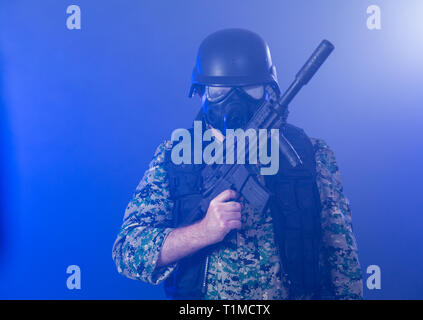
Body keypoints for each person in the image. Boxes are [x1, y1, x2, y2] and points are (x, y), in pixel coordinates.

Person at [112, 28, 363, 300]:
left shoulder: (310, 154)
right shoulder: (175, 157)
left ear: (269, 91)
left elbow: (342, 254)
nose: (235, 102)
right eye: (220, 91)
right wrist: (203, 231)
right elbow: (127, 252)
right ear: (201, 94)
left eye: (250, 89)